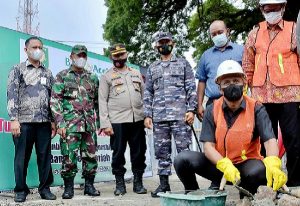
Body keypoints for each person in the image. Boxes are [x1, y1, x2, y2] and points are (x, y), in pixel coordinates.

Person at [174, 60, 287, 195]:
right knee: (182, 159)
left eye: (236, 80)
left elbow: (270, 141)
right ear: (219, 88)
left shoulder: (256, 108)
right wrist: (224, 164)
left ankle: (246, 192)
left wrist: (274, 162)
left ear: (244, 83)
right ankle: (193, 194)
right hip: (220, 165)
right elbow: (208, 147)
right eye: (226, 82)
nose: (232, 85)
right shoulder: (211, 109)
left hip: (247, 165)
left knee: (259, 172)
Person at [242, 0, 300, 186]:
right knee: (266, 140)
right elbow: (247, 64)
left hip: (290, 93)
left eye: (276, 8)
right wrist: (246, 92)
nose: (272, 12)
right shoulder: (254, 33)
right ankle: (267, 182)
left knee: (294, 138)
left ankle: (295, 181)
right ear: (262, 10)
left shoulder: (294, 30)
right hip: (261, 96)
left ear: (283, 8)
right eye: (268, 9)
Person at [144, 31, 197, 197]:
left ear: (172, 43)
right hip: (159, 117)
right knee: (161, 152)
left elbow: (191, 87)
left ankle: (190, 185)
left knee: (184, 152)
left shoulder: (183, 64)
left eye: (166, 41)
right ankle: (164, 185)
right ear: (156, 46)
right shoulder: (152, 68)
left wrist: (191, 109)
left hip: (181, 115)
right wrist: (147, 114)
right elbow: (148, 93)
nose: (163, 45)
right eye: (160, 43)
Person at [7, 36, 56, 202]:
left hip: (43, 123)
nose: (38, 50)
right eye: (34, 47)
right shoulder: (17, 69)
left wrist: (53, 120)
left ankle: (45, 189)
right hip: (23, 123)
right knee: (22, 157)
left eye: (40, 47)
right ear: (26, 49)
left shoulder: (47, 73)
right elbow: (12, 94)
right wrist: (14, 119)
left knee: (44, 157)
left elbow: (52, 99)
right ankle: (20, 190)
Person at [50, 45, 100, 199]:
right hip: (70, 125)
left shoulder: (92, 78)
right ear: (71, 56)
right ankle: (68, 188)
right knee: (69, 157)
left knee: (90, 156)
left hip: (89, 125)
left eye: (84, 56)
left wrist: (99, 124)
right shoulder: (62, 76)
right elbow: (55, 101)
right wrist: (60, 123)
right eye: (78, 55)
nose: (81, 58)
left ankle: (89, 186)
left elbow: (98, 102)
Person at [98, 44, 147, 196]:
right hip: (117, 121)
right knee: (118, 153)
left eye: (121, 55)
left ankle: (138, 182)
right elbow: (102, 100)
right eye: (115, 56)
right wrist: (105, 124)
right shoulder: (106, 76)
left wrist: (147, 116)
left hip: (137, 119)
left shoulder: (136, 73)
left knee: (139, 152)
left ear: (126, 55)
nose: (119, 58)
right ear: (111, 57)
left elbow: (145, 96)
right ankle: (120, 183)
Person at [196, 20, 244, 120]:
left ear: (228, 31)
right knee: (212, 134)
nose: (217, 36)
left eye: (220, 32)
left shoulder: (242, 51)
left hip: (238, 101)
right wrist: (199, 105)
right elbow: (201, 81)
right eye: (213, 34)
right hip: (213, 103)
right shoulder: (206, 56)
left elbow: (249, 75)